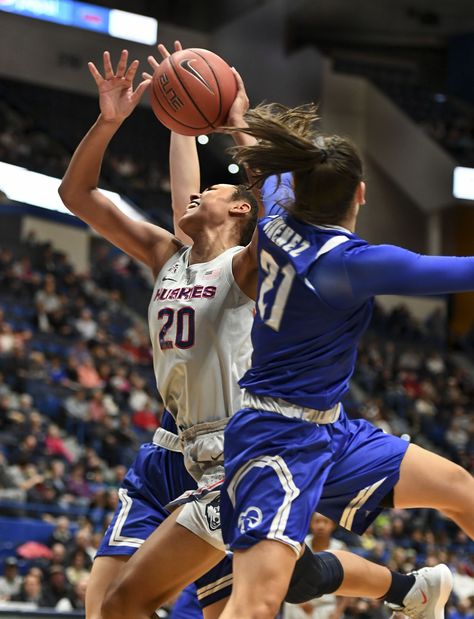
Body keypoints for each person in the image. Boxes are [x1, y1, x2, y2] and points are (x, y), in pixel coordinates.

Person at [218, 102, 474, 619]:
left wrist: (240, 117)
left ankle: (412, 593)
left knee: (460, 489)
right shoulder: (347, 266)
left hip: (330, 432)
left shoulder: (274, 220)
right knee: (256, 604)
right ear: (360, 193)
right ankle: (404, 591)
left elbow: (267, 175)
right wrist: (241, 118)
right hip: (276, 440)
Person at [58, 43, 258, 619]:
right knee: (103, 608)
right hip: (167, 452)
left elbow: (281, 207)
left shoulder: (246, 268)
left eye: (213, 192)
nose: (195, 196)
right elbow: (76, 195)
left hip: (229, 457)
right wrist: (115, 121)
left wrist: (237, 121)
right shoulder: (167, 253)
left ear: (242, 210)